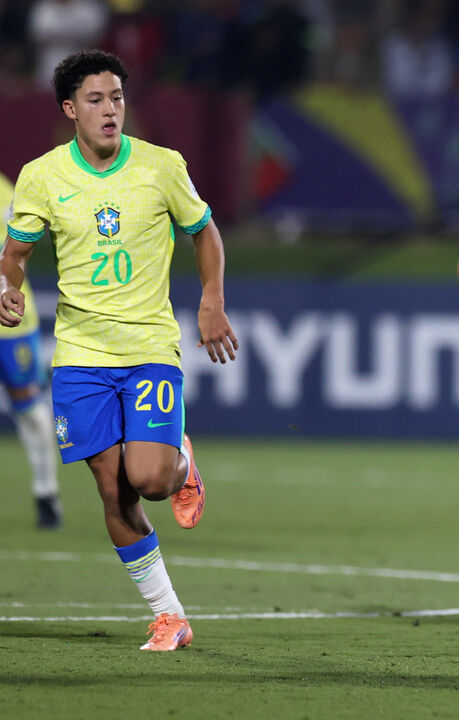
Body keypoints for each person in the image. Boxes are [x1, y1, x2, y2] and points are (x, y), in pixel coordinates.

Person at [0, 50, 239, 651]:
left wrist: (212, 298)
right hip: (80, 355)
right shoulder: (41, 177)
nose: (110, 111)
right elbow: (16, 254)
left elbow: (204, 231)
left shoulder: (162, 167)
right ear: (69, 109)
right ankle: (169, 615)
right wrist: (8, 287)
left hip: (149, 346)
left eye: (117, 98)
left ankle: (181, 462)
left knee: (152, 481)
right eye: (96, 100)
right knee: (114, 491)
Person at [0, 172, 62, 529]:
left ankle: (46, 492)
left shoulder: (8, 194)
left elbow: (19, 251)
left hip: (10, 324)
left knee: (30, 408)